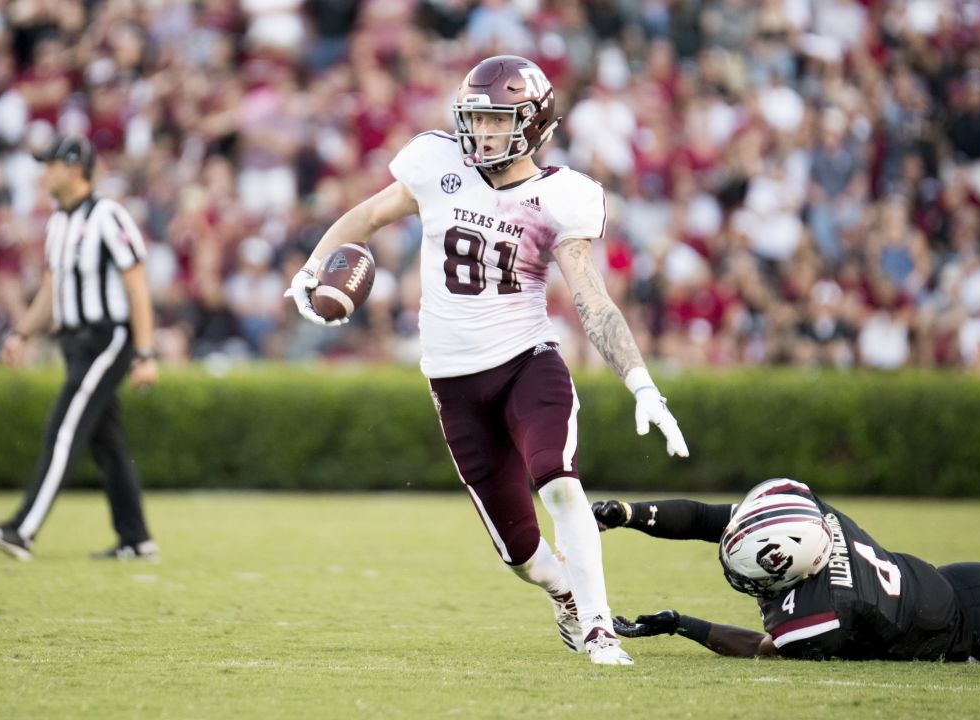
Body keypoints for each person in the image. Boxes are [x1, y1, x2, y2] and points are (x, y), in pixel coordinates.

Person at [285, 56, 689, 665]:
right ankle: (564, 592)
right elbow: (366, 217)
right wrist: (313, 268)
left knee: (557, 479)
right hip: (451, 382)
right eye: (474, 117)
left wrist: (643, 386)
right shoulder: (437, 162)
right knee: (522, 555)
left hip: (527, 363)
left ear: (532, 125)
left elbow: (592, 301)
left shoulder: (559, 196)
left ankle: (601, 628)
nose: (481, 131)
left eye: (496, 120)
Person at [592, 478, 980, 662]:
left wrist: (683, 625)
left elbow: (764, 648)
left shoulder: (823, 614)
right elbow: (700, 519)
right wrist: (629, 514)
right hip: (968, 579)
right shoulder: (808, 515)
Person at [0, 135, 160, 562]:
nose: (43, 173)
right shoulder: (58, 222)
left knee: (63, 429)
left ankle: (23, 529)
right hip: (74, 343)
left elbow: (138, 289)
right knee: (107, 443)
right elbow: (51, 288)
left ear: (74, 166)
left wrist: (146, 353)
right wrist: (22, 333)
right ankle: (136, 539)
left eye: (50, 164)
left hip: (107, 338)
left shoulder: (108, 216)